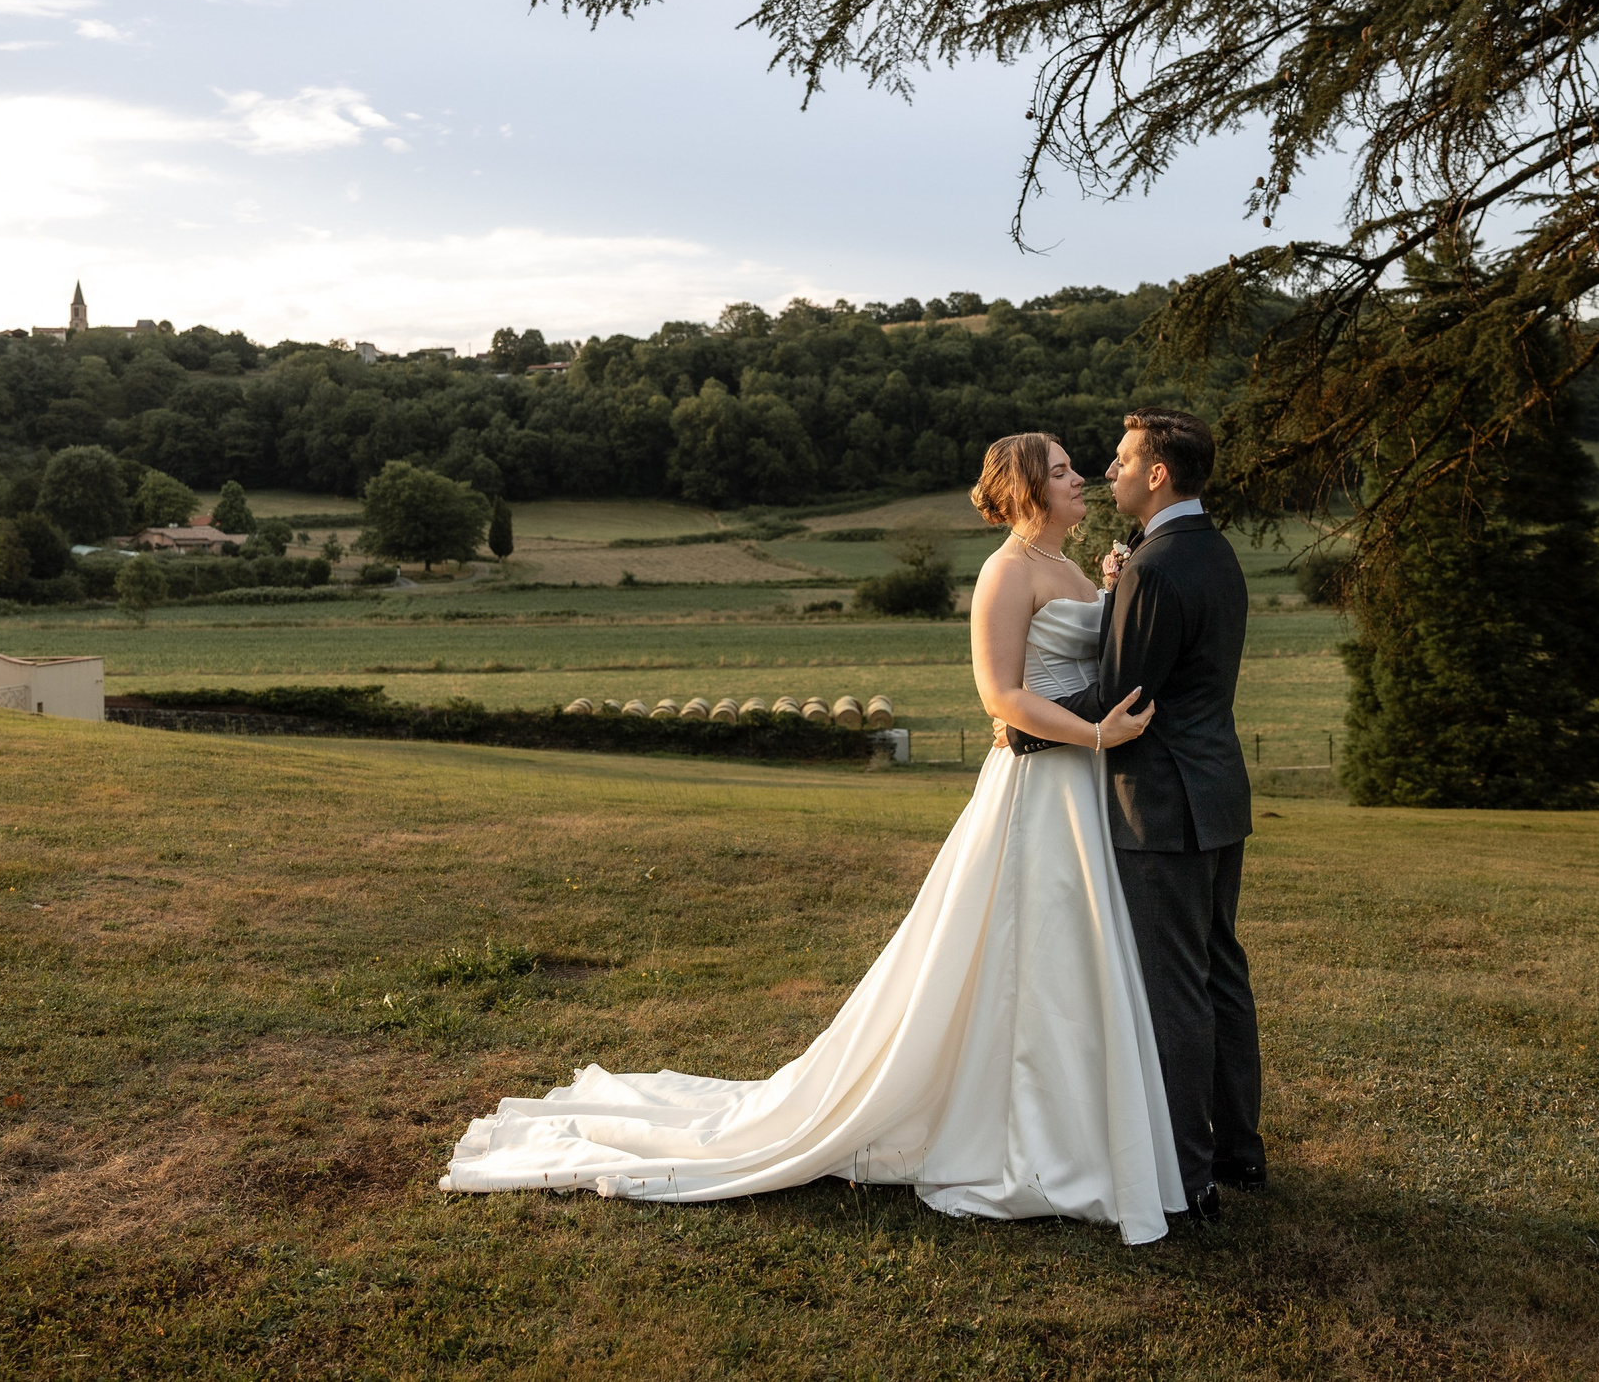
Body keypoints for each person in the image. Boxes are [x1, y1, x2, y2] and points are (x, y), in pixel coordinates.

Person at [438, 433, 1189, 1242]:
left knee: (1072, 952)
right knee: (1025, 950)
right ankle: (1022, 1134)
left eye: (1076, 468)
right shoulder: (1005, 572)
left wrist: (1111, 595)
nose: (1082, 478)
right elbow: (999, 695)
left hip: (1080, 787)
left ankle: (1076, 1130)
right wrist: (1095, 733)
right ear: (1029, 489)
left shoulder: (1071, 568)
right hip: (1039, 786)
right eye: (1063, 470)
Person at [1006, 407, 1262, 1210]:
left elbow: (1125, 693)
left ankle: (1188, 1175)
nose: (1107, 470)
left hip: (1161, 802)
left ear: (1157, 473)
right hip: (1218, 791)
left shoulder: (1155, 565)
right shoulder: (1213, 549)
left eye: (1121, 459)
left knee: (1174, 985)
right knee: (1221, 971)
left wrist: (1025, 729)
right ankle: (1240, 1152)